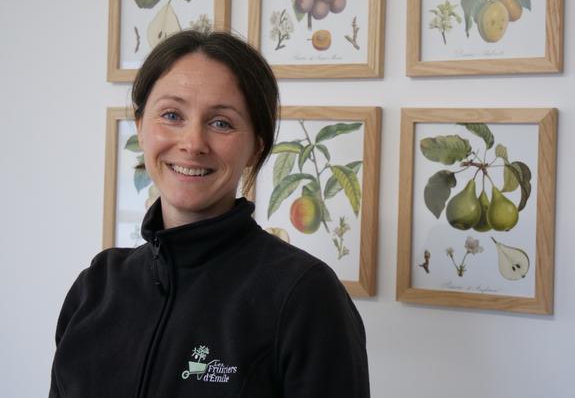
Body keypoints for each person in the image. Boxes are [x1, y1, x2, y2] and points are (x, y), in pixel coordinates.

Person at [49, 30, 370, 397]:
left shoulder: (304, 295)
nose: (192, 144)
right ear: (140, 128)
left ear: (255, 147)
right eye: (172, 115)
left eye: (221, 123)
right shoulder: (96, 288)